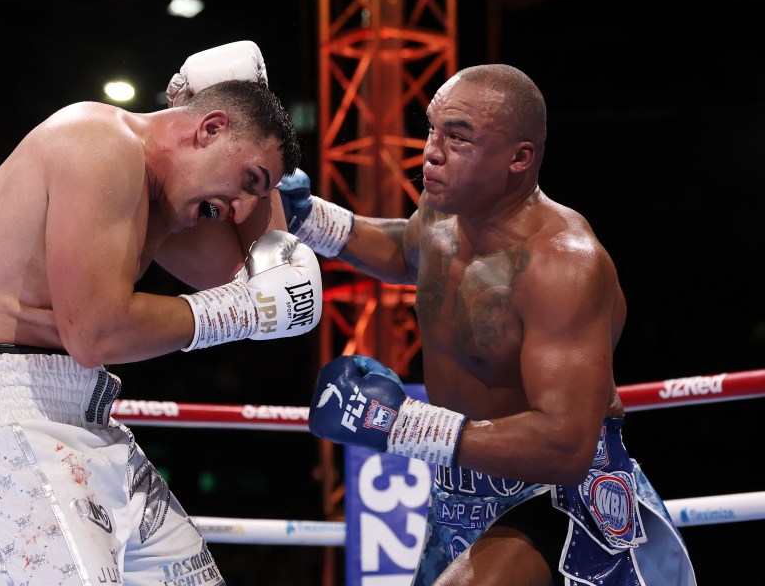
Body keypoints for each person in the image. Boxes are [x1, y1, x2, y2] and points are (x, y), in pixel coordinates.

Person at [0, 41, 323, 585]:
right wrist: (242, 311)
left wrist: (260, 110)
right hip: (1, 415)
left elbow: (249, 276)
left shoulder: (162, 203)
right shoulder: (98, 142)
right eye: (248, 181)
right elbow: (96, 334)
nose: (240, 208)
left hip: (85, 418)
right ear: (209, 128)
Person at [282, 64, 696, 585]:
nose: (432, 151)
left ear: (520, 158)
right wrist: (309, 218)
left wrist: (400, 425)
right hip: (459, 485)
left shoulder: (562, 264)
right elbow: (406, 251)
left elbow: (566, 446)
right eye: (432, 129)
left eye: (459, 137)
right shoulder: (441, 213)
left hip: (554, 494)